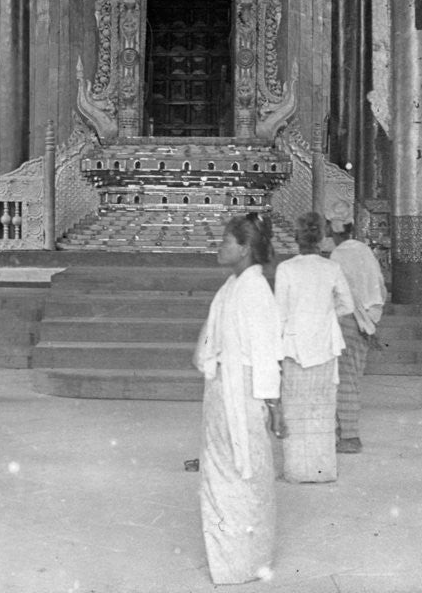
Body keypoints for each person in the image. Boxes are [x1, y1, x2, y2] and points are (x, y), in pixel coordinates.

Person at [193, 213, 285, 585]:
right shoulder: (232, 286)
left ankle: (244, 561)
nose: (220, 247)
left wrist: (274, 407)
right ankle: (229, 559)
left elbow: (267, 354)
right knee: (221, 473)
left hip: (244, 394)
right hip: (222, 391)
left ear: (245, 248)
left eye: (226, 241)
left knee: (243, 474)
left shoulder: (255, 291)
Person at [274, 210, 354, 483]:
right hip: (324, 345)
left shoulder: (286, 269)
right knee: (321, 409)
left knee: (295, 410)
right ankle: (322, 471)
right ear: (321, 239)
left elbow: (280, 313)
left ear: (296, 239)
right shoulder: (331, 268)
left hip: (294, 347)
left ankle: (296, 470)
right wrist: (325, 313)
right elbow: (347, 305)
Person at [329, 213, 388, 454]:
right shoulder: (365, 251)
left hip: (346, 320)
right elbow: (380, 289)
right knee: (352, 379)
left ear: (333, 231)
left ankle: (350, 437)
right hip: (367, 323)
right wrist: (370, 322)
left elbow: (339, 294)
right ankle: (346, 433)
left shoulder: (338, 255)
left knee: (343, 381)